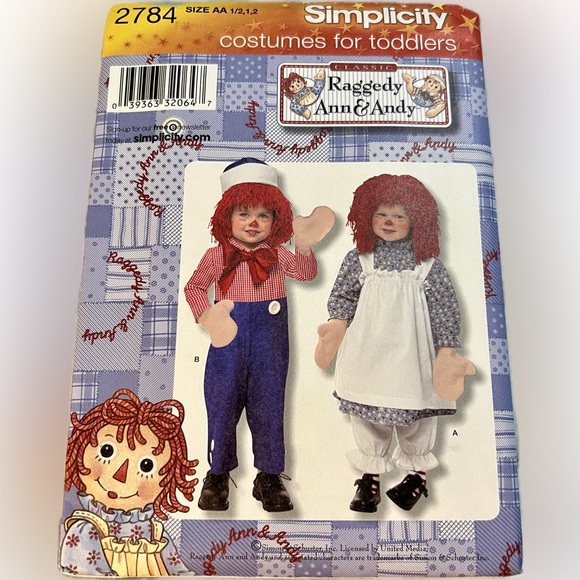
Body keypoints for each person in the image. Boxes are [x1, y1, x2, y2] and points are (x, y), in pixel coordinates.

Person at [315, 174, 475, 513]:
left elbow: (445, 307)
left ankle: (417, 475)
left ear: (417, 220)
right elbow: (343, 296)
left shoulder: (427, 267)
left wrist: (447, 349)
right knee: (368, 411)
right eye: (382, 214)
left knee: (417, 410)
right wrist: (337, 324)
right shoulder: (359, 259)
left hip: (413, 354)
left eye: (399, 215)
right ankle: (370, 477)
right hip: (367, 351)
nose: (389, 221)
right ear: (366, 217)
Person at [184, 158, 334, 512]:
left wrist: (305, 245)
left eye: (263, 215)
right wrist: (207, 316)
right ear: (227, 218)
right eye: (244, 214)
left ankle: (269, 475)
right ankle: (217, 474)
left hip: (271, 343)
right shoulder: (216, 255)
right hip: (228, 342)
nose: (253, 222)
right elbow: (194, 288)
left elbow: (306, 274)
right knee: (222, 403)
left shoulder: (278, 255)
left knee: (269, 406)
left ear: (276, 221)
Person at [60, 389, 198, 576]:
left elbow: (178, 573)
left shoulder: (156, 533)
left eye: (147, 466)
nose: (121, 476)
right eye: (107, 451)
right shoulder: (87, 530)